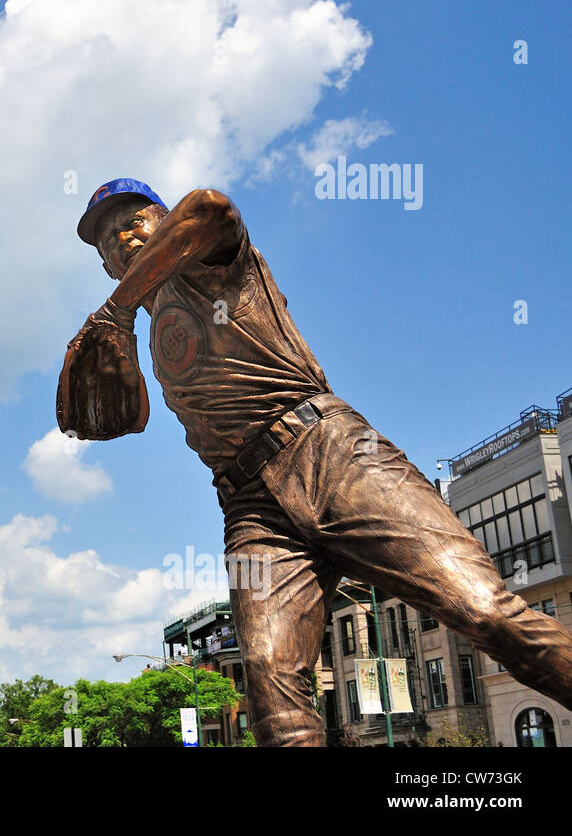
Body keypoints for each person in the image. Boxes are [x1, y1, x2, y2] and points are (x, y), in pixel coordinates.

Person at [72, 176, 572, 746]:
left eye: (135, 220)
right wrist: (116, 339)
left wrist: (117, 306)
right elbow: (127, 418)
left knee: (488, 614)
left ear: (162, 220)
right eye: (109, 241)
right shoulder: (135, 322)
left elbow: (212, 209)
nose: (124, 239)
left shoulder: (209, 262)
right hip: (249, 507)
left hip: (329, 451)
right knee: (275, 703)